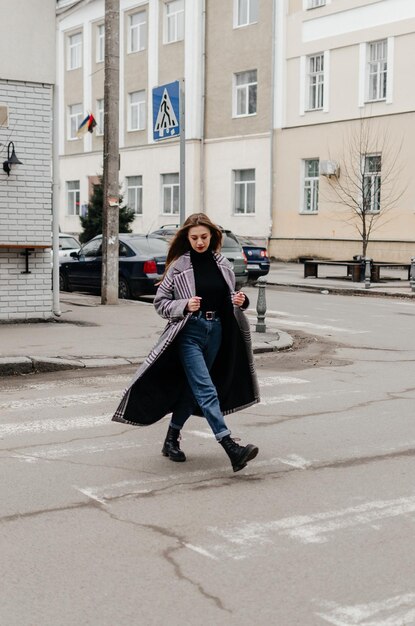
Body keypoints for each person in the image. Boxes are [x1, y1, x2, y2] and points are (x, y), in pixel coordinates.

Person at [112, 213, 260, 472]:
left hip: (216, 332)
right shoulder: (179, 265)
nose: (199, 242)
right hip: (189, 333)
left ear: (212, 236)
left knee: (194, 392)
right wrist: (184, 305)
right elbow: (160, 303)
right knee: (205, 389)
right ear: (187, 238)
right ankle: (230, 445)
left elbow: (230, 298)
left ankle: (171, 438)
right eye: (194, 238)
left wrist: (242, 301)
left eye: (204, 237)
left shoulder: (223, 263)